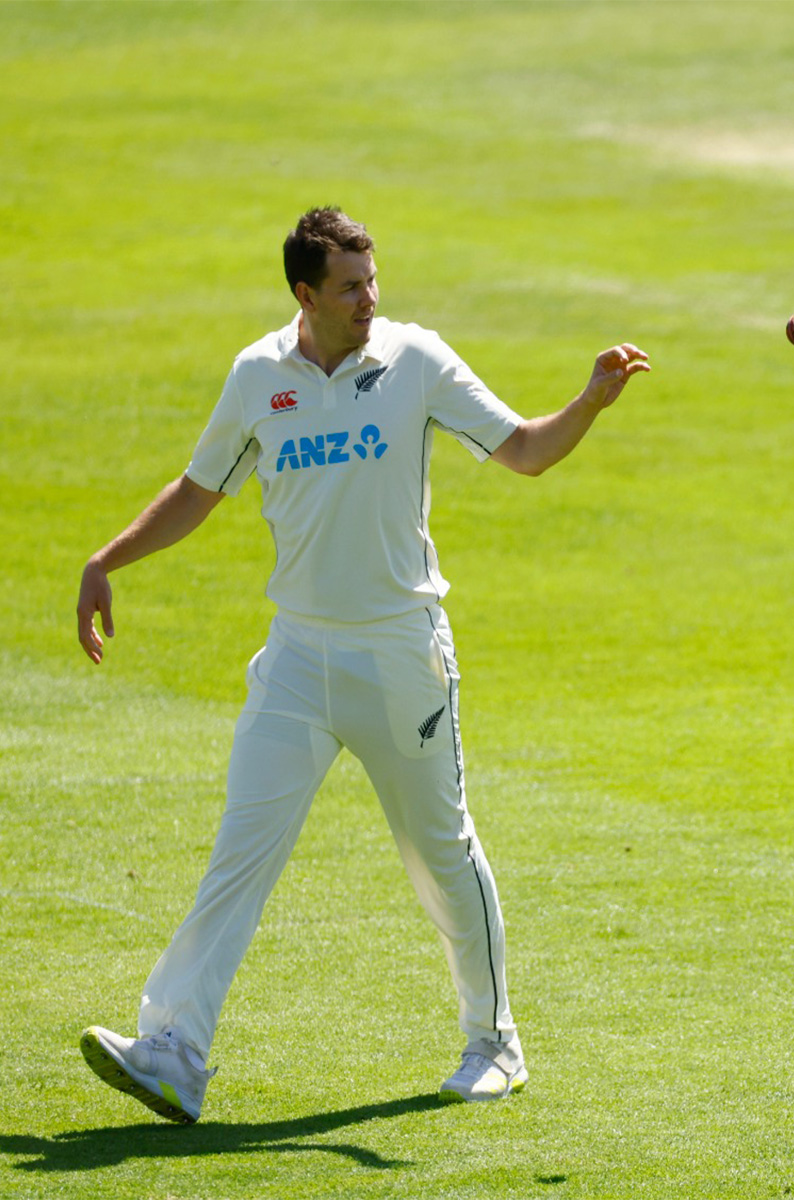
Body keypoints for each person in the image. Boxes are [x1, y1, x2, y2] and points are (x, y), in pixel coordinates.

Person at [75, 207, 650, 1124]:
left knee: (439, 853)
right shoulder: (260, 375)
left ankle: (495, 1041)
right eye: (349, 287)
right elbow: (199, 489)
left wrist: (587, 402)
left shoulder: (414, 359)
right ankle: (175, 1051)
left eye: (373, 280)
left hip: (400, 652)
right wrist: (107, 560)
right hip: (298, 656)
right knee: (239, 855)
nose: (369, 300)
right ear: (305, 294)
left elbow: (526, 451)